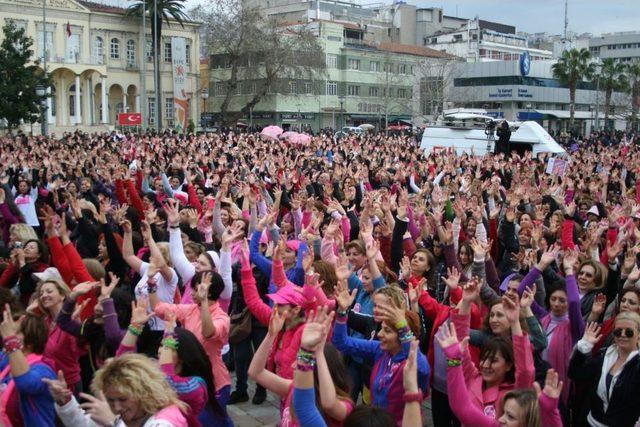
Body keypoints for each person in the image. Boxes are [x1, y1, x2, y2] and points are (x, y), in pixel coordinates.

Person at [436, 322, 563, 427]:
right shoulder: (474, 378)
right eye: (504, 413)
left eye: (511, 416)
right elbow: (462, 408)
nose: (501, 419)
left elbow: (525, 370)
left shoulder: (514, 392)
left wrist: (550, 413)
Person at [251, 307, 353, 426]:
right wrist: (271, 335)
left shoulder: (345, 405)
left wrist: (318, 352)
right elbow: (256, 372)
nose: (294, 365)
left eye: (302, 360)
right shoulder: (294, 387)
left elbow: (329, 405)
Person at [50, 353, 189, 427]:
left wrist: (113, 423)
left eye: (123, 399)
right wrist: (65, 402)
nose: (117, 407)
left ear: (144, 392)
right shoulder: (122, 413)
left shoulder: (165, 421)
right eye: (110, 400)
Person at [569, 313, 640, 426]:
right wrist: (584, 347)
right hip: (591, 423)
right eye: (618, 331)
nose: (622, 335)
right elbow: (576, 374)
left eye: (629, 332)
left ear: (638, 335)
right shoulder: (605, 355)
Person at [0, 305, 57, 427]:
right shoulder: (7, 361)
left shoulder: (44, 370)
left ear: (31, 340)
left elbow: (25, 383)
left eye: (17, 332)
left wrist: (11, 341)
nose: (11, 334)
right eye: (12, 331)